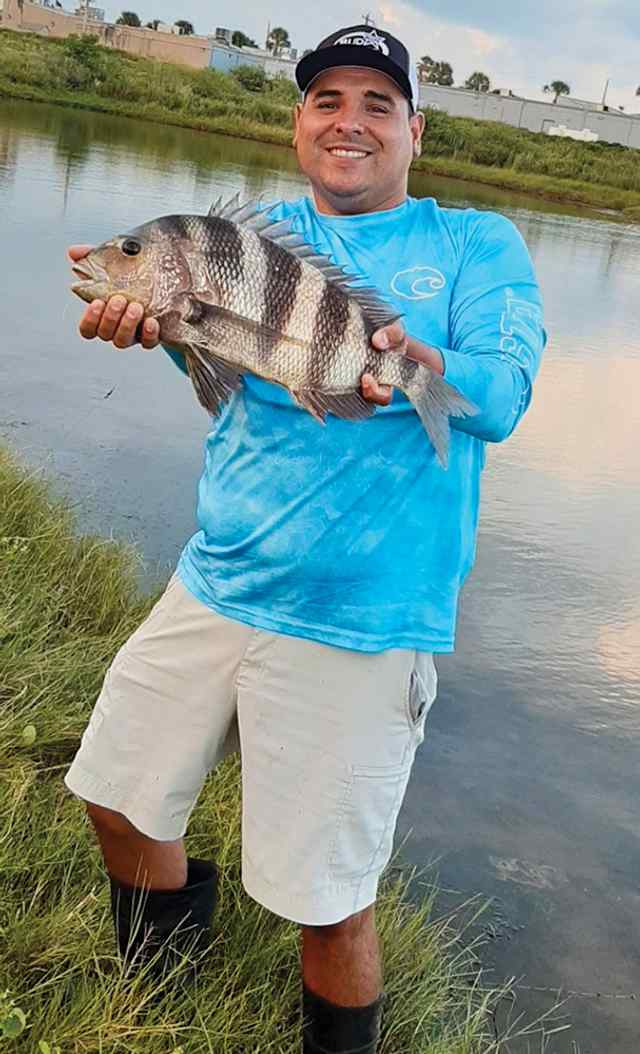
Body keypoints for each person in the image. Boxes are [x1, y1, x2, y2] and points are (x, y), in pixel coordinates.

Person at [64, 24, 546, 1054]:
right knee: (115, 795)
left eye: (378, 103)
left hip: (362, 618)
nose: (350, 121)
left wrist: (428, 363)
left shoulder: (475, 244)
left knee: (326, 898)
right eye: (328, 98)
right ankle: (161, 993)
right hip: (215, 581)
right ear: (299, 122)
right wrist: (161, 330)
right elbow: (229, 388)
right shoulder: (257, 236)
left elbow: (501, 396)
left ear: (415, 129)